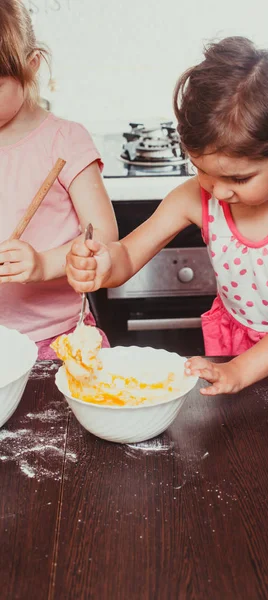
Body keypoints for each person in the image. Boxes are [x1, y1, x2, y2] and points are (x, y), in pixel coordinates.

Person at [66, 36, 268, 395]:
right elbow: (126, 255)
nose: (218, 191)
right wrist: (103, 264)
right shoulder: (194, 197)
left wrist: (239, 371)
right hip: (235, 343)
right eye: (203, 170)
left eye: (239, 178)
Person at [0, 0, 118, 359]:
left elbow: (105, 238)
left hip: (56, 343)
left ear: (31, 66)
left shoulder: (65, 141)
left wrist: (42, 264)